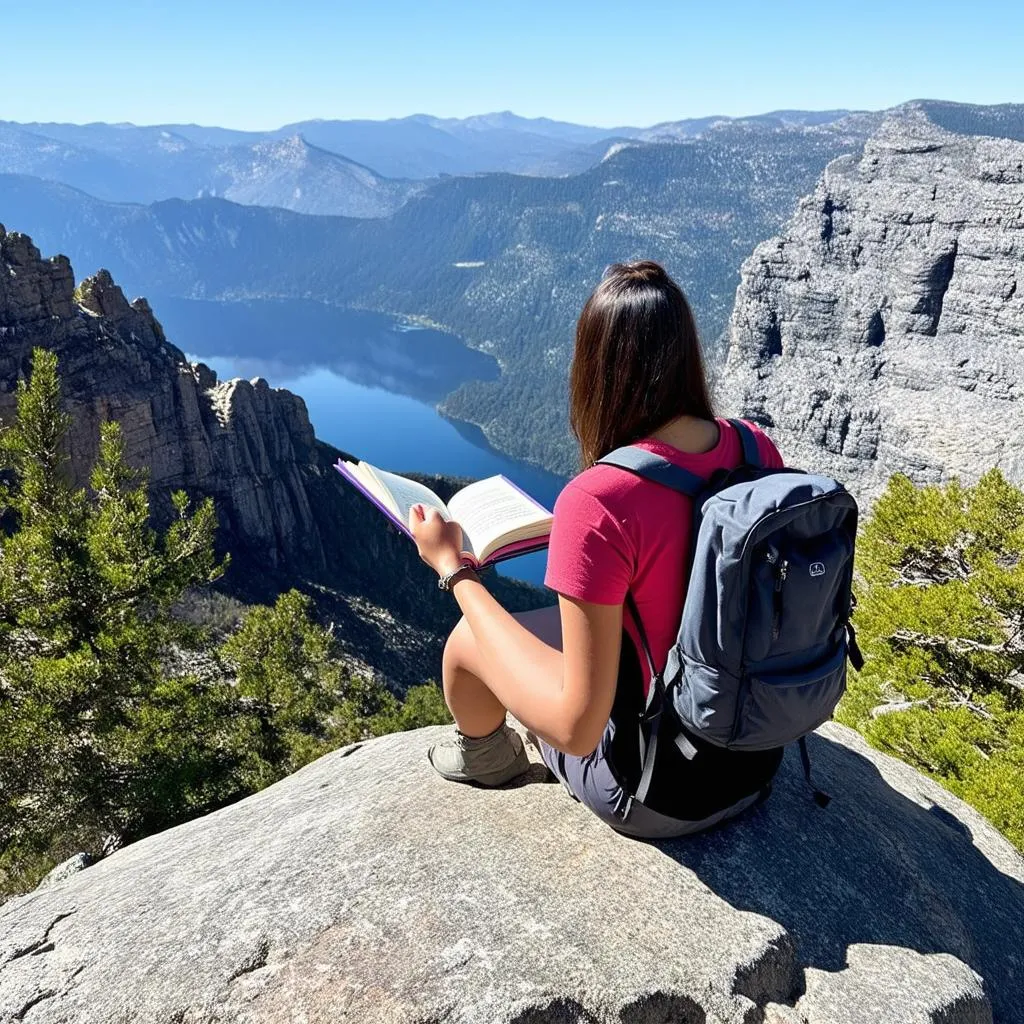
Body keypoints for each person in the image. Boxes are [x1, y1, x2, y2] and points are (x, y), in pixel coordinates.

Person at [408, 259, 785, 839]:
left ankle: (488, 757)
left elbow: (575, 729)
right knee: (548, 631)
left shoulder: (601, 499)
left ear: (595, 371)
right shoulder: (757, 451)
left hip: (660, 792)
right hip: (757, 760)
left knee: (470, 637)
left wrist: (455, 571)